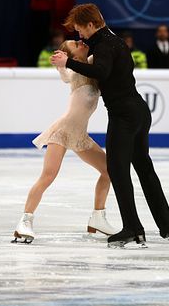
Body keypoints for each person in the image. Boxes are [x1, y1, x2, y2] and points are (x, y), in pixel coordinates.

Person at [50, 5, 169, 248]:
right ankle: (167, 225)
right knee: (144, 168)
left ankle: (132, 229)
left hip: (124, 115)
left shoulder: (105, 44)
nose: (79, 36)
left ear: (90, 24)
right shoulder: (113, 40)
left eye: (80, 30)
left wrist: (68, 62)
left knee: (117, 170)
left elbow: (101, 71)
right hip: (139, 110)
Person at [14, 38, 118, 244]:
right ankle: (25, 221)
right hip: (62, 132)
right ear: (72, 56)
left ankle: (98, 217)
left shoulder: (92, 64)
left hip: (79, 135)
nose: (81, 42)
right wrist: (62, 66)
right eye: (76, 45)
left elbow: (106, 48)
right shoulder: (76, 71)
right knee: (48, 176)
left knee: (109, 170)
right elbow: (66, 76)